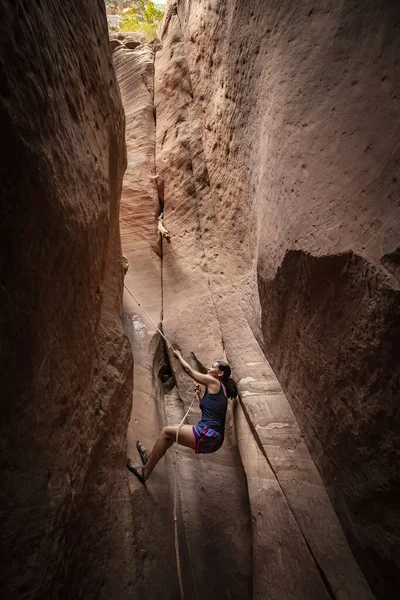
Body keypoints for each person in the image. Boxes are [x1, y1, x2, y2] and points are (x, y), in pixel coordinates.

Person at [126, 350, 238, 484]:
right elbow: (206, 408)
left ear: (220, 374)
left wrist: (179, 357)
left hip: (209, 435)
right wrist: (199, 394)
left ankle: (145, 472)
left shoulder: (214, 382)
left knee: (166, 432)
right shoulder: (220, 390)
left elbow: (190, 371)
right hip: (213, 437)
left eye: (213, 367)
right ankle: (150, 457)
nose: (209, 368)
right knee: (172, 433)